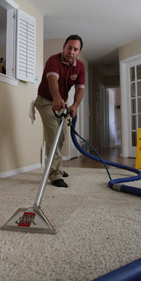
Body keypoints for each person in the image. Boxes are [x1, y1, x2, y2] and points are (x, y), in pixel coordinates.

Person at [35, 34, 85, 188]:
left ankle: (56, 167)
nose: (71, 51)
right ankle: (54, 174)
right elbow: (52, 80)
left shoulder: (80, 67)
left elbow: (79, 89)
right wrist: (56, 97)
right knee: (53, 134)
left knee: (61, 135)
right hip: (45, 101)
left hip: (62, 104)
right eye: (69, 47)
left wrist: (75, 105)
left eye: (75, 49)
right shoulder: (53, 60)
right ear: (64, 47)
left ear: (79, 52)